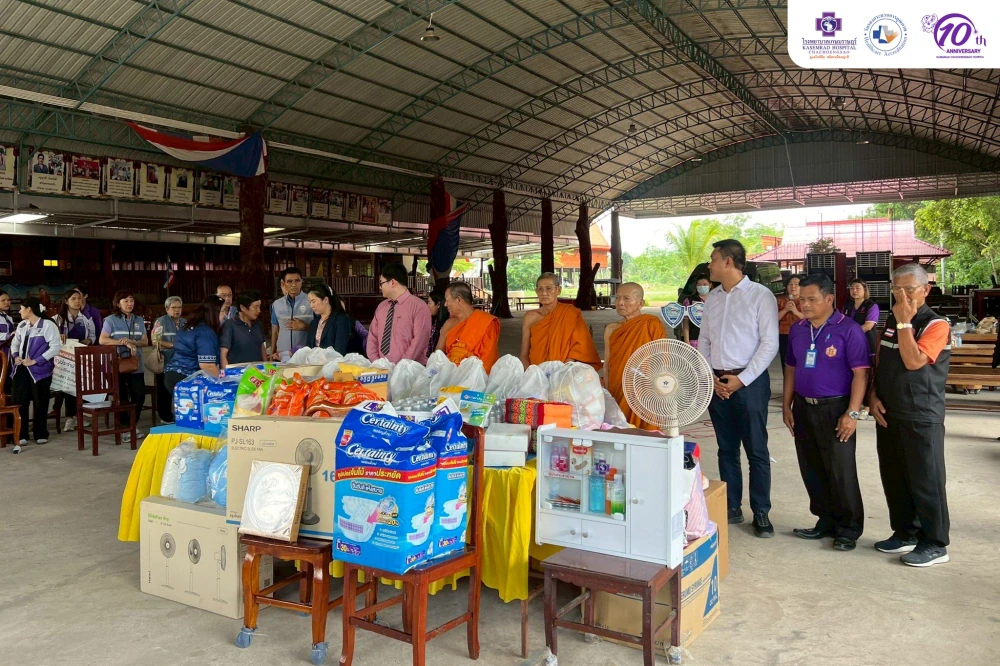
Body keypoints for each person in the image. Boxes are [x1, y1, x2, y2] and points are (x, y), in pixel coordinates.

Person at [870, 263, 952, 567]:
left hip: (921, 413)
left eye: (909, 289)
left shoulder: (936, 325)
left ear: (925, 290)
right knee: (895, 476)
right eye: (896, 289)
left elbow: (914, 361)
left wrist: (905, 324)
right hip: (889, 412)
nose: (902, 295)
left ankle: (935, 542)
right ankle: (905, 532)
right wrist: (873, 395)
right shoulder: (893, 320)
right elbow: (882, 361)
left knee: (926, 479)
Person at [782, 274, 869, 552]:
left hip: (837, 408)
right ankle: (825, 520)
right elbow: (791, 369)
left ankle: (849, 528)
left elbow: (861, 374)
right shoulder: (797, 329)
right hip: (804, 407)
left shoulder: (849, 329)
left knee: (840, 470)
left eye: (811, 299)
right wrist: (787, 405)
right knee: (812, 466)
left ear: (829, 299)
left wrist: (852, 414)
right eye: (801, 299)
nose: (804, 304)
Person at [699, 239, 779, 537]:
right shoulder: (714, 299)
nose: (710, 264)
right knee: (726, 448)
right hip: (718, 383)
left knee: (756, 449)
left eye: (713, 259)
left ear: (728, 262)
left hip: (750, 383)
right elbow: (704, 340)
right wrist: (712, 377)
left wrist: (742, 379)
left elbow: (769, 343)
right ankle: (732, 506)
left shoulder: (760, 296)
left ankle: (761, 511)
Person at [604, 282, 667, 429]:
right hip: (618, 387)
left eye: (627, 299)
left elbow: (662, 360)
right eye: (617, 298)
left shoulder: (651, 324)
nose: (620, 303)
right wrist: (608, 394)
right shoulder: (611, 329)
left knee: (646, 434)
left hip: (645, 390)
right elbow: (607, 365)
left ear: (640, 303)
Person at [520, 272, 601, 371]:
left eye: (548, 288)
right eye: (540, 289)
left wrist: (560, 372)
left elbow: (578, 348)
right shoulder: (530, 317)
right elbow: (524, 354)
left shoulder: (570, 313)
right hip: (536, 373)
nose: (544, 293)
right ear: (536, 291)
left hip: (565, 371)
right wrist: (532, 376)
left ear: (558, 290)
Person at [10, 297, 61, 453]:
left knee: (40, 402)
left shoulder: (47, 325)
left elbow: (55, 347)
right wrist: (16, 355)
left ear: (29, 309)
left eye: (21, 308)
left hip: (40, 371)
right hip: (21, 369)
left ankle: (40, 432)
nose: (19, 311)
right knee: (21, 402)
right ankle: (22, 433)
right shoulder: (23, 325)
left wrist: (36, 361)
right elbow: (15, 343)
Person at [100, 291, 149, 443]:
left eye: (131, 300)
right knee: (121, 398)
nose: (129, 304)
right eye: (126, 301)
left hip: (135, 364)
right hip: (117, 364)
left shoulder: (139, 320)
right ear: (118, 303)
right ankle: (125, 428)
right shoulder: (110, 320)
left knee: (139, 395)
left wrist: (133, 342)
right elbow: (103, 340)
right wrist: (122, 342)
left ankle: (132, 424)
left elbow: (145, 341)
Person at [367, 263, 432, 364]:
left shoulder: (419, 307)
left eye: (381, 283)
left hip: (410, 371)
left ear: (392, 282)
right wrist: (377, 363)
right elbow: (372, 337)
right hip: (382, 370)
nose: (380, 287)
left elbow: (419, 341)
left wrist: (401, 366)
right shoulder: (381, 307)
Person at [52, 288, 97, 432]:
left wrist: (88, 341)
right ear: (66, 302)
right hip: (62, 360)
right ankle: (69, 417)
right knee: (64, 388)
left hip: (80, 358)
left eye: (79, 298)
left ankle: (76, 417)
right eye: (73, 299)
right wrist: (58, 337)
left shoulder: (86, 319)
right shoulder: (56, 320)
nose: (77, 301)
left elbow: (93, 336)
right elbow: (49, 338)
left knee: (77, 387)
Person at [164, 296, 223, 404]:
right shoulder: (205, 332)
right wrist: (222, 387)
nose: (225, 316)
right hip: (187, 379)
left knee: (188, 416)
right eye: (223, 311)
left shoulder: (190, 325)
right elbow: (207, 365)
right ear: (214, 313)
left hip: (173, 376)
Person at [437, 281, 500, 372]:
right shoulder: (449, 324)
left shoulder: (485, 322)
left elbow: (487, 360)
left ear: (459, 300)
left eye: (447, 300)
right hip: (449, 375)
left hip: (475, 378)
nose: (445, 304)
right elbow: (438, 355)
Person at [152, 296, 186, 424]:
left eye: (179, 307)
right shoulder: (160, 322)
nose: (177, 310)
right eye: (174, 308)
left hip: (182, 361)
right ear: (167, 309)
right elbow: (155, 341)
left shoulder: (185, 322)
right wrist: (173, 345)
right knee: (164, 389)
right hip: (166, 360)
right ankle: (165, 416)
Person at [270, 267, 313, 360]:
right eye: (289, 281)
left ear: (302, 282)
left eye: (297, 280)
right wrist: (272, 354)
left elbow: (321, 329)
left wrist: (304, 326)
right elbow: (275, 331)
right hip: (282, 356)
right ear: (284, 283)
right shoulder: (276, 304)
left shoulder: (311, 302)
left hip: (303, 355)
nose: (294, 284)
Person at [220, 291, 267, 367]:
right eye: (255, 307)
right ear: (243, 307)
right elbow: (223, 355)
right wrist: (226, 375)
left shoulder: (257, 323)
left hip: (258, 373)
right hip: (238, 373)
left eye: (259, 307)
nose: (259, 310)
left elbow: (262, 348)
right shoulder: (229, 325)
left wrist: (266, 367)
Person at [306, 285, 352, 354]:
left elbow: (340, 349)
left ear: (325, 300)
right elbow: (308, 347)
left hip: (333, 362)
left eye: (313, 301)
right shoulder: (314, 322)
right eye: (310, 302)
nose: (311, 305)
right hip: (314, 363)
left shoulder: (340, 319)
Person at [843, 278, 880, 362]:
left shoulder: (871, 306)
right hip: (850, 345)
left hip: (866, 344)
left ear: (864, 290)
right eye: (852, 288)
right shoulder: (847, 306)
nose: (854, 290)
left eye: (857, 288)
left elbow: (868, 326)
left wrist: (850, 335)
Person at [776, 274, 805, 368]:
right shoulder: (780, 300)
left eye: (797, 284)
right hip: (784, 333)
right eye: (790, 284)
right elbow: (773, 319)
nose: (793, 286)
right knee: (786, 360)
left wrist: (795, 312)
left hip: (802, 333)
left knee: (801, 359)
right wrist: (785, 310)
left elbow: (810, 318)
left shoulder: (806, 300)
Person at [681, 274, 712, 347]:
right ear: (696, 286)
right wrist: (687, 341)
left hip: (712, 341)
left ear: (710, 285)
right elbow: (685, 323)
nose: (702, 287)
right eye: (699, 285)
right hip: (694, 340)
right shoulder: (689, 301)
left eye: (705, 284)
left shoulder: (716, 300)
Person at [426, 290, 449, 358]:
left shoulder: (446, 324)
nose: (427, 306)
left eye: (429, 303)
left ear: (438, 304)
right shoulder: (434, 320)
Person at [0, 289, 14, 393]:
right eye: (3, 300)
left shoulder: (8, 317)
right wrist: (8, 335)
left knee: (7, 381)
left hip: (9, 354)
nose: (7, 302)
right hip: (0, 352)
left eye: (8, 300)